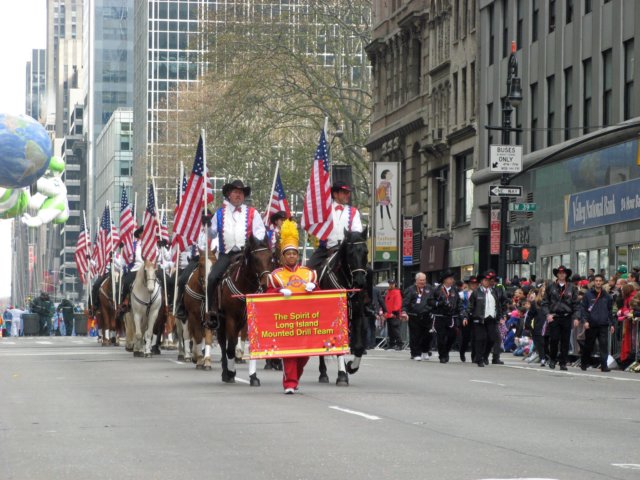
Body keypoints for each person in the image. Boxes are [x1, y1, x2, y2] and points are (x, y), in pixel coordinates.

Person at [265, 219, 317, 394]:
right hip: (285, 322)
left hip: (305, 321)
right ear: (283, 256)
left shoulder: (309, 274)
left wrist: (314, 288)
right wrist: (279, 291)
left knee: (304, 356)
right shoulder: (275, 275)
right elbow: (266, 297)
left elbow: (322, 298)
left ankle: (294, 379)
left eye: (294, 254)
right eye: (288, 254)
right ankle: (289, 383)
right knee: (290, 354)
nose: (292, 257)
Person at [206, 180, 266, 323]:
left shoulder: (253, 213)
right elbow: (212, 234)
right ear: (229, 194)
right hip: (227, 254)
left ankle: (264, 310)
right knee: (212, 277)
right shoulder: (219, 214)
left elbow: (260, 232)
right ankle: (212, 311)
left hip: (246, 255)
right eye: (235, 192)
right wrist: (207, 224)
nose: (238, 195)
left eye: (241, 193)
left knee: (264, 275)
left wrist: (254, 242)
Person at [306, 181, 363, 270]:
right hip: (325, 249)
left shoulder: (354, 212)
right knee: (308, 268)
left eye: (348, 193)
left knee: (367, 272)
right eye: (344, 192)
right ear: (335, 194)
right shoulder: (324, 210)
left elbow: (357, 232)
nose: (347, 195)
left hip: (347, 250)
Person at [541, 265, 579, 370]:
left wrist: (576, 317)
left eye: (563, 273)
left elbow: (576, 304)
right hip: (554, 316)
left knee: (565, 341)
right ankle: (552, 359)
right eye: (559, 273)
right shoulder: (550, 287)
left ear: (566, 275)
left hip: (567, 316)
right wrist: (548, 314)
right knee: (554, 339)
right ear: (557, 274)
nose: (561, 274)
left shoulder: (572, 287)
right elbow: (545, 303)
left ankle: (563, 362)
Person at [464, 271, 504, 367]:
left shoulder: (494, 292)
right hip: (479, 319)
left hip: (491, 318)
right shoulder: (476, 292)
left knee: (492, 338)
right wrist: (466, 316)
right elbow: (470, 306)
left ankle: (485, 355)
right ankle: (479, 358)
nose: (487, 282)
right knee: (480, 339)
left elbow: (498, 306)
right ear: (481, 281)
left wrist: (500, 316)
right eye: (485, 280)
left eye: (489, 280)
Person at [579, 274, 614, 372]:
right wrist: (585, 321)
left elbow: (610, 310)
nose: (598, 282)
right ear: (594, 282)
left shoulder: (607, 296)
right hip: (591, 324)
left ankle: (604, 366)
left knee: (603, 346)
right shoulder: (588, 295)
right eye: (596, 280)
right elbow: (583, 309)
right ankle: (584, 363)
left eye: (600, 280)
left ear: (602, 282)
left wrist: (611, 324)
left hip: (603, 324)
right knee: (589, 345)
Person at [429, 270, 464, 363]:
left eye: (452, 279)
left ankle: (446, 351)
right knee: (441, 337)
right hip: (439, 316)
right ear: (444, 280)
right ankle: (442, 355)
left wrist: (461, 313)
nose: (452, 280)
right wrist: (439, 303)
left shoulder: (455, 289)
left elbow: (459, 302)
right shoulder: (436, 289)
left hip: (451, 317)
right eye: (450, 278)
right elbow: (430, 301)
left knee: (452, 336)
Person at [402, 272, 435, 360]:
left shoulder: (429, 288)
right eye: (421, 280)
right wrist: (404, 311)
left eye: (424, 280)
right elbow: (405, 302)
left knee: (428, 335)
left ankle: (425, 351)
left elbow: (433, 299)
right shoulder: (410, 289)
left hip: (427, 316)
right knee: (415, 335)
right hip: (414, 316)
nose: (422, 282)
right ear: (416, 280)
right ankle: (416, 353)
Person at [458, 276, 478, 362]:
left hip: (476, 317)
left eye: (475, 283)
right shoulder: (462, 294)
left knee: (475, 337)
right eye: (472, 283)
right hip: (465, 318)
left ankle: (474, 356)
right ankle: (462, 352)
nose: (474, 285)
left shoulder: (480, 293)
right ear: (469, 284)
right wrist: (463, 316)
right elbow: (461, 307)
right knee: (466, 337)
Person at [384, 279, 403, 350]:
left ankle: (399, 344)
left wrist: (394, 313)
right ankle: (391, 344)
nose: (390, 285)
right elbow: (386, 303)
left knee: (395, 330)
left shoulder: (396, 292)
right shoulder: (389, 292)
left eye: (392, 284)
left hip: (394, 314)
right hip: (389, 314)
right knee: (391, 331)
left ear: (395, 284)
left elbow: (398, 304)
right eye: (390, 284)